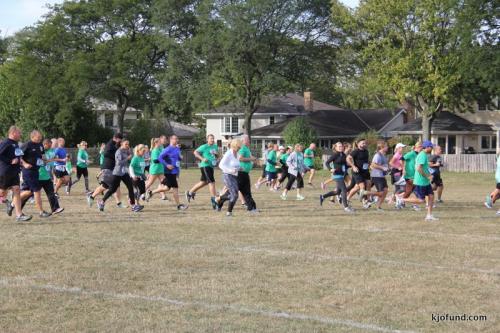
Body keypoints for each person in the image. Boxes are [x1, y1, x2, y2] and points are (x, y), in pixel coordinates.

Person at [97, 140, 143, 212]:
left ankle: (133, 206)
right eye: (126, 144)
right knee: (112, 189)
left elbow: (129, 160)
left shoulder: (126, 151)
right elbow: (118, 163)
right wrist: (127, 158)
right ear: (121, 144)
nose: (128, 145)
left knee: (130, 187)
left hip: (124, 172)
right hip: (117, 173)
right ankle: (101, 202)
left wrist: (129, 157)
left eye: (128, 144)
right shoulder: (118, 152)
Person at [396, 141, 438, 221]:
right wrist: (427, 176)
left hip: (425, 181)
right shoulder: (422, 155)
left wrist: (429, 173)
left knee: (431, 196)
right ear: (427, 147)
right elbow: (418, 168)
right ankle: (401, 199)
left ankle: (429, 216)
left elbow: (423, 167)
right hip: (421, 181)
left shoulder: (423, 155)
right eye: (431, 147)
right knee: (421, 200)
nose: (432, 148)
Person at [14, 130, 52, 218]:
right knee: (37, 191)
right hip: (28, 172)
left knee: (29, 192)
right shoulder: (26, 145)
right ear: (33, 137)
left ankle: (12, 204)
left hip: (36, 171)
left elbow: (42, 155)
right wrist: (24, 164)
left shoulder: (40, 145)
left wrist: (44, 160)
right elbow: (18, 156)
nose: (40, 138)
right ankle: (41, 212)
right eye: (38, 137)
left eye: (40, 137)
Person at [0, 126, 32, 221]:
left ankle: (19, 215)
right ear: (13, 133)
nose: (20, 134)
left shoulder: (16, 143)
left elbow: (17, 156)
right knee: (2, 192)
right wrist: (9, 161)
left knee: (17, 190)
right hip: (5, 171)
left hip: (14, 171)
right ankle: (7, 202)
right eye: (19, 133)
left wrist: (21, 163)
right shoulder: (6, 142)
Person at [149, 135, 188, 210]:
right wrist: (167, 165)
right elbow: (160, 158)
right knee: (175, 188)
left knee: (167, 188)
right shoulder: (167, 149)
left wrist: (180, 158)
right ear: (171, 140)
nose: (177, 140)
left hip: (175, 171)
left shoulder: (177, 148)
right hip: (169, 172)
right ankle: (179, 205)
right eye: (175, 139)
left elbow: (178, 158)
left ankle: (152, 192)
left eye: (177, 139)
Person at [87, 133, 124, 208]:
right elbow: (106, 153)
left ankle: (92, 197)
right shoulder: (110, 144)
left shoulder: (115, 145)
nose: (120, 141)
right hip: (108, 168)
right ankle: (96, 199)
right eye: (120, 140)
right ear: (116, 138)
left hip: (112, 168)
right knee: (110, 186)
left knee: (107, 185)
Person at [185, 134, 219, 209]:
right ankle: (214, 201)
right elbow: (195, 152)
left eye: (213, 138)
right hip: (205, 166)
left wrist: (217, 157)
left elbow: (217, 156)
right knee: (211, 182)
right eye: (211, 139)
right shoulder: (204, 146)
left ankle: (190, 192)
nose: (212, 140)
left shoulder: (215, 146)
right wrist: (202, 158)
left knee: (204, 182)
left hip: (211, 166)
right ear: (207, 140)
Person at [319, 142, 354, 213]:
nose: (341, 147)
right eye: (339, 146)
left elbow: (344, 165)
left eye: (341, 146)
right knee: (344, 190)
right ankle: (346, 207)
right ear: (336, 148)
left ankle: (323, 196)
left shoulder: (343, 154)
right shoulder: (335, 155)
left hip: (342, 175)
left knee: (337, 191)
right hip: (337, 175)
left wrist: (352, 166)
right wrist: (330, 169)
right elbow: (327, 163)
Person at [216, 139, 242, 216]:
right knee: (235, 195)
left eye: (240, 147)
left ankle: (220, 200)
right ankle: (229, 212)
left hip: (234, 176)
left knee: (231, 194)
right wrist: (231, 170)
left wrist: (239, 168)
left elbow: (235, 165)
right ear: (234, 146)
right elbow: (221, 165)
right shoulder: (228, 153)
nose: (239, 148)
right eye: (238, 147)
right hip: (227, 176)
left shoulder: (237, 154)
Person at [365, 141, 389, 211]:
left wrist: (387, 168)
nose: (387, 147)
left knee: (385, 190)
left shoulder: (383, 155)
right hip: (377, 176)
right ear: (382, 147)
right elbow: (373, 165)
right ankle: (365, 193)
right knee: (381, 192)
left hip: (381, 176)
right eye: (386, 146)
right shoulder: (377, 155)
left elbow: (384, 165)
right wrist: (383, 168)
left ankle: (378, 206)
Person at [238, 135, 258, 212]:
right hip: (241, 173)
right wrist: (251, 159)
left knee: (247, 192)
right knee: (232, 193)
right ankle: (219, 200)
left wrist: (254, 159)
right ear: (243, 141)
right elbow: (240, 158)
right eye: (248, 139)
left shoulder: (246, 148)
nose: (249, 141)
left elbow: (249, 156)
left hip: (245, 173)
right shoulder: (243, 148)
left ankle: (252, 208)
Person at [346, 139, 371, 203]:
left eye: (365, 143)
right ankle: (363, 200)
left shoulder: (366, 151)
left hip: (365, 171)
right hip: (357, 172)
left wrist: (369, 164)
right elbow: (347, 158)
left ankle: (348, 198)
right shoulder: (355, 151)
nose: (364, 144)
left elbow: (367, 160)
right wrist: (353, 166)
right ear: (358, 144)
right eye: (363, 143)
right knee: (362, 186)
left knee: (367, 184)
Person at [400, 142, 423, 210]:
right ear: (417, 147)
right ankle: (415, 204)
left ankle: (400, 202)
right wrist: (403, 169)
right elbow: (402, 159)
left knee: (408, 191)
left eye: (422, 147)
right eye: (421, 147)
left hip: (415, 176)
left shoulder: (419, 155)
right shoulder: (411, 153)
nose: (422, 148)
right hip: (409, 176)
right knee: (418, 189)